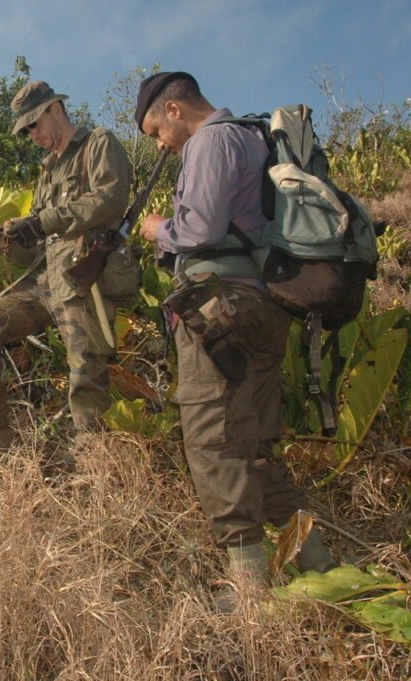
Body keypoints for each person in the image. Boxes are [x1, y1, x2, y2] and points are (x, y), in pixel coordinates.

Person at [135, 71, 336, 583]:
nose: (162, 144)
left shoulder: (210, 141)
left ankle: (250, 592)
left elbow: (199, 229)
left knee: (215, 443)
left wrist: (160, 229)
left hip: (218, 309)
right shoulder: (252, 137)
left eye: (157, 131)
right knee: (257, 445)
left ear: (175, 109)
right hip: (266, 310)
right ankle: (321, 569)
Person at [0, 80, 133, 453]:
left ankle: (95, 466)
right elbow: (37, 245)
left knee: (85, 372)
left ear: (55, 107)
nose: (31, 134)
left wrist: (41, 223)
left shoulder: (97, 143)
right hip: (47, 278)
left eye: (34, 124)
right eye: (25, 130)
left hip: (85, 273)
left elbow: (109, 198)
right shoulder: (47, 170)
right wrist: (9, 240)